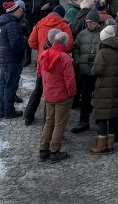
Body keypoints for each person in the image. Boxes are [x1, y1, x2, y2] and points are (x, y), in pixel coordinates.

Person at [25, 6, 74, 125]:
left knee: (38, 89)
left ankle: (28, 116)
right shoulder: (63, 26)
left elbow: (31, 42)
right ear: (61, 16)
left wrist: (42, 49)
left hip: (42, 60)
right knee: (52, 92)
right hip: (58, 62)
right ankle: (48, 123)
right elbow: (69, 45)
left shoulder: (40, 23)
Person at [38, 29, 76, 162]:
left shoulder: (44, 54)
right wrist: (72, 94)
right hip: (62, 96)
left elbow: (39, 73)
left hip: (49, 95)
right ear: (65, 43)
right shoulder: (65, 58)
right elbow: (70, 79)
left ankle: (43, 150)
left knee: (49, 122)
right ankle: (54, 151)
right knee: (59, 124)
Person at [90, 24, 118, 154]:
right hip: (117, 88)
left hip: (103, 88)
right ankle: (110, 144)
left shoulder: (102, 52)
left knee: (102, 116)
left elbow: (96, 71)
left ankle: (101, 145)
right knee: (113, 117)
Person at [0, 1, 27, 119]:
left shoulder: (0, 23)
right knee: (10, 86)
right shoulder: (12, 24)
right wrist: (23, 46)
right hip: (11, 59)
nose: (21, 13)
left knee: (3, 85)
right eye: (20, 11)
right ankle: (9, 111)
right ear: (14, 11)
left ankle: (2, 111)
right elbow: (15, 44)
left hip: (3, 58)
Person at [71, 13, 103, 133]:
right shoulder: (82, 33)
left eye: (91, 22)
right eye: (87, 22)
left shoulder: (103, 33)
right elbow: (75, 48)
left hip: (98, 71)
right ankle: (83, 121)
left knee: (99, 98)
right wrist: (78, 61)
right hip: (84, 71)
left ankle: (99, 121)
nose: (88, 25)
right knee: (84, 97)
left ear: (97, 22)